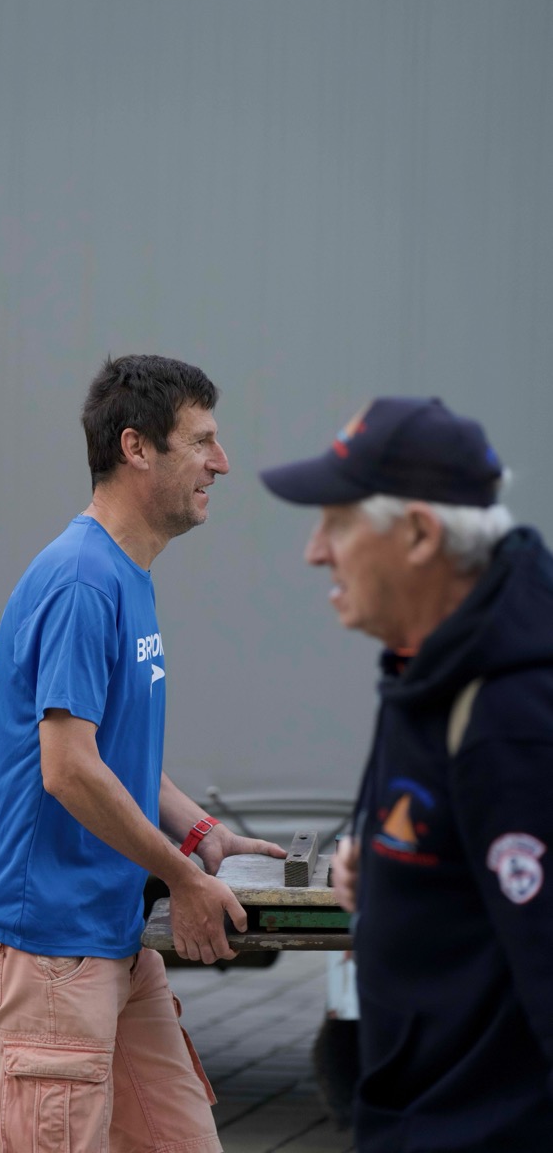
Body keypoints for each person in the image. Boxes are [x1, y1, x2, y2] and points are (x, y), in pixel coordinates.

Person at [0, 353, 285, 1153]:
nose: (220, 463)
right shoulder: (83, 581)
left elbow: (108, 753)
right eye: (200, 441)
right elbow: (67, 770)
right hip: (48, 944)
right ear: (136, 447)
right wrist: (182, 878)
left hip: (106, 936)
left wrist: (204, 837)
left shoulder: (123, 574)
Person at [259, 396, 553, 1151]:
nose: (315, 552)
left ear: (419, 534)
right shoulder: (428, 664)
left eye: (336, 523)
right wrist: (393, 869)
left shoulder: (511, 715)